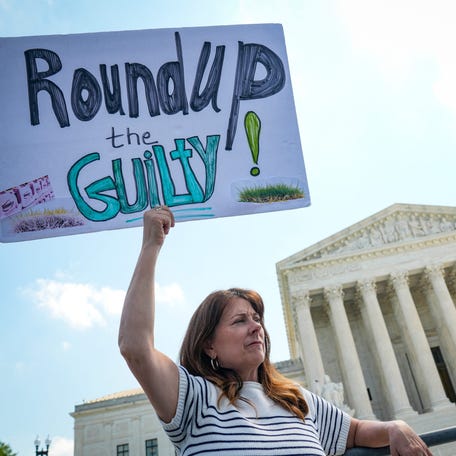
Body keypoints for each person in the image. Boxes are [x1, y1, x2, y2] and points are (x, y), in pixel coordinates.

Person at [118, 206, 432, 456]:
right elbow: (135, 347)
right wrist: (150, 247)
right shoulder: (195, 400)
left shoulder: (297, 400)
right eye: (239, 321)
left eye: (256, 319)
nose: (256, 327)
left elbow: (355, 432)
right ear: (209, 346)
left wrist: (396, 427)